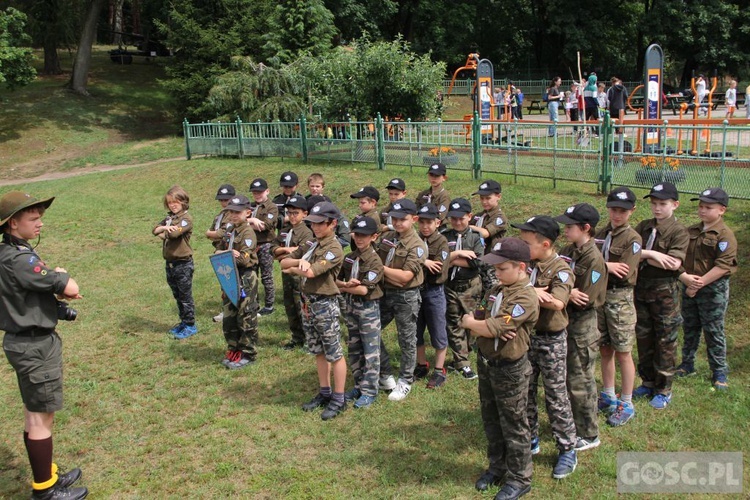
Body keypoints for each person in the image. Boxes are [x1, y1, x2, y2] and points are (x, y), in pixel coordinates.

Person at [0, 191, 88, 500]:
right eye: (33, 219)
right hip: (34, 344)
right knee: (40, 418)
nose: (40, 223)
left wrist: (54, 286)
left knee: (33, 413)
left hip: (24, 343)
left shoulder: (8, 253)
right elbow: (70, 286)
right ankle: (45, 490)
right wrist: (61, 277)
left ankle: (46, 473)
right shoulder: (20, 259)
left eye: (40, 218)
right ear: (12, 223)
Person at [461, 237, 539, 500]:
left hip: (510, 368)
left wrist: (477, 324)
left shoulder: (526, 297)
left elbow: (493, 326)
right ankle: (497, 466)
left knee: (514, 423)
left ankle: (519, 478)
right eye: (495, 268)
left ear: (521, 267)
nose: (496, 273)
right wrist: (478, 323)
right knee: (491, 418)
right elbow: (479, 315)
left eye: (502, 268)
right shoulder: (498, 287)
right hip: (487, 361)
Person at [513, 216, 578, 480]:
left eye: (527, 243)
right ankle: (531, 439)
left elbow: (559, 302)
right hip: (528, 337)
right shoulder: (528, 266)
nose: (522, 247)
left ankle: (567, 448)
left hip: (551, 341)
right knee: (525, 391)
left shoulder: (561, 269)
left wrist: (531, 291)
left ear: (546, 244)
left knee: (555, 395)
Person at [281, 201, 347, 420]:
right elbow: (283, 263)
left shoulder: (333, 248)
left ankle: (338, 397)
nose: (316, 228)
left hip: (325, 303)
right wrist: (298, 262)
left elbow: (311, 272)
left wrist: (298, 266)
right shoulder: (313, 245)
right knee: (317, 350)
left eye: (321, 224)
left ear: (333, 223)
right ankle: (324, 391)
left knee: (334, 352)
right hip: (308, 302)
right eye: (313, 224)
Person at [555, 204, 607, 452]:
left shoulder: (594, 259)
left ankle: (588, 432)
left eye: (570, 226)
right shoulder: (568, 250)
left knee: (581, 379)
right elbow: (554, 275)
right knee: (567, 376)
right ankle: (572, 422)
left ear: (586, 228)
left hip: (583, 327)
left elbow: (584, 298)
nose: (565, 230)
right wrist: (567, 290)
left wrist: (565, 290)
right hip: (566, 321)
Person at [633, 182, 689, 410]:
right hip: (642, 287)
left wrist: (642, 255)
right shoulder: (644, 227)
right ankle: (647, 381)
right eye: (654, 204)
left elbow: (673, 263)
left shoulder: (679, 231)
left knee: (665, 339)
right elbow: (630, 251)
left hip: (665, 292)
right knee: (644, 337)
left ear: (674, 205)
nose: (657, 208)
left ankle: (664, 388)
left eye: (662, 204)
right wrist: (651, 253)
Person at [675, 188, 737, 390]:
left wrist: (698, 284)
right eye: (700, 206)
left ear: (722, 210)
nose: (702, 210)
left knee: (713, 330)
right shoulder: (691, 231)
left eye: (708, 207)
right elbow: (679, 258)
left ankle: (719, 371)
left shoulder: (725, 235)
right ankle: (687, 364)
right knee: (690, 327)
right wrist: (686, 279)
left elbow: (723, 266)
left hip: (713, 289)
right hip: (690, 285)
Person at [595, 187, 642, 427]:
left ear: (632, 211)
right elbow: (587, 259)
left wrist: (600, 265)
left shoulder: (632, 239)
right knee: (604, 348)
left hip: (620, 299)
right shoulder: (602, 233)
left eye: (622, 211)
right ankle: (608, 394)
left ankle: (626, 401)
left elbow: (624, 272)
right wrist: (605, 265)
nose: (617, 214)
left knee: (623, 351)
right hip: (601, 297)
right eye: (613, 209)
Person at [375, 199, 427, 401]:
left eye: (402, 219)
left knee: (406, 339)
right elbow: (375, 258)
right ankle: (385, 373)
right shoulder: (388, 237)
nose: (397, 223)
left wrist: (379, 271)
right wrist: (387, 274)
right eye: (394, 219)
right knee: (370, 329)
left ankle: (406, 380)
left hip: (406, 296)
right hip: (384, 292)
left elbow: (405, 277)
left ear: (413, 219)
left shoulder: (417, 245)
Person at [337, 216, 384, 409]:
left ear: (374, 237)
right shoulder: (350, 257)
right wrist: (346, 285)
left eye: (364, 236)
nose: (359, 239)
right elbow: (336, 280)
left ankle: (370, 390)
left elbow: (365, 290)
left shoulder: (375, 261)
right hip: (350, 306)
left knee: (371, 350)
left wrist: (344, 287)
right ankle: (358, 384)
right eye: (356, 234)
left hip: (368, 309)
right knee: (354, 347)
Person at [216, 195, 260, 369]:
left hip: (245, 277)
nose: (233, 215)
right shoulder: (229, 230)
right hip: (229, 274)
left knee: (245, 315)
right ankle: (234, 348)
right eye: (231, 212)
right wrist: (227, 253)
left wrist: (230, 254)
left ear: (247, 212)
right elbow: (219, 249)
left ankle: (248, 352)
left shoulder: (248, 232)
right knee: (229, 315)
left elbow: (243, 259)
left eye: (237, 212)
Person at [442, 198, 484, 380]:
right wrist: (457, 255)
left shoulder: (476, 238)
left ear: (469, 217)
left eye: (461, 218)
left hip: (470, 287)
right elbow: (438, 259)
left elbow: (477, 262)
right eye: (453, 218)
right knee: (453, 323)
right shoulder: (444, 236)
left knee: (470, 321)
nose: (457, 222)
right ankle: (462, 362)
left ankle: (467, 351)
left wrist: (448, 260)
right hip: (451, 286)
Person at [152, 185, 196, 339]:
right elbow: (154, 230)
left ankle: (190, 324)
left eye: (176, 202)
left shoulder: (186, 219)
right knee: (177, 295)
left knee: (185, 296)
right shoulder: (170, 218)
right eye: (170, 203)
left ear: (183, 202)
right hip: (170, 263)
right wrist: (165, 227)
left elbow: (175, 234)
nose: (173, 205)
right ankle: (183, 321)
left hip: (183, 263)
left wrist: (165, 231)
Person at [414, 203, 450, 388]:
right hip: (416, 289)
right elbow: (406, 258)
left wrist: (419, 262)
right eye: (421, 222)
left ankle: (439, 370)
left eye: (429, 222)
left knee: (437, 330)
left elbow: (438, 267)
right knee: (417, 330)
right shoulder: (415, 239)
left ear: (437, 222)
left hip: (434, 291)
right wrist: (424, 261)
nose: (425, 226)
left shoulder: (441, 241)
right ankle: (421, 364)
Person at [271, 195, 314, 350]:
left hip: (299, 276)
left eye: (295, 213)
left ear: (305, 214)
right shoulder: (284, 231)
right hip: (287, 275)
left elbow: (304, 253)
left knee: (303, 307)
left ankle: (309, 339)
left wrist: (283, 255)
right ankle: (297, 337)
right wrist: (286, 250)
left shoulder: (307, 233)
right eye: (289, 213)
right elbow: (273, 250)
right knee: (290, 307)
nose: (292, 216)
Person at [248, 178, 279, 316]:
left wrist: (248, 222)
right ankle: (253, 303)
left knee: (267, 276)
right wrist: (251, 220)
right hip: (251, 245)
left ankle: (269, 305)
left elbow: (265, 225)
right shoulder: (249, 206)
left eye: (260, 192)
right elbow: (239, 222)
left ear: (267, 191)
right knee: (251, 275)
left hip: (266, 244)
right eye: (254, 192)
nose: (257, 195)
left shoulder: (271, 207)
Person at [206, 184, 236, 323]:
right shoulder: (221, 215)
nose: (224, 202)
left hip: (228, 251)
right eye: (221, 200)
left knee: (231, 282)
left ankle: (230, 310)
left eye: (226, 200)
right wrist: (212, 234)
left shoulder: (232, 215)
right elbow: (213, 232)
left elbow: (222, 233)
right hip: (220, 250)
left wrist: (210, 233)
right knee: (224, 282)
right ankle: (227, 310)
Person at [470, 179, 507, 252]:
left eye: (488, 198)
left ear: (498, 197)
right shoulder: (478, 216)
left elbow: (485, 233)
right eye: (481, 198)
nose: (484, 201)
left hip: (491, 256)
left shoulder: (500, 218)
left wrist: (467, 227)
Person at [349, 186, 380, 251]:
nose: (360, 205)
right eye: (359, 202)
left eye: (363, 203)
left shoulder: (373, 218)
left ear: (373, 203)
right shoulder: (362, 215)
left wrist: (354, 235)